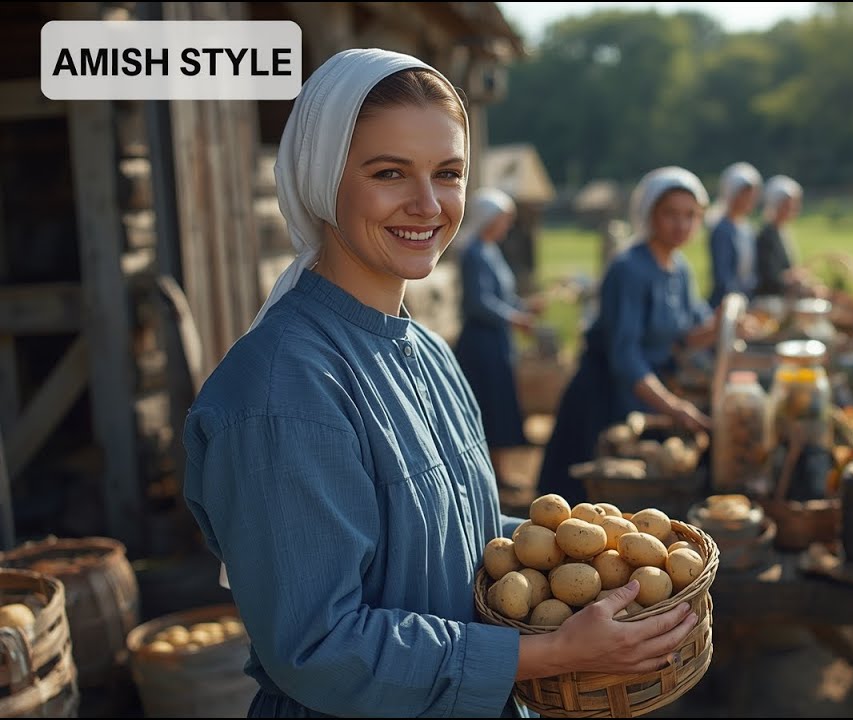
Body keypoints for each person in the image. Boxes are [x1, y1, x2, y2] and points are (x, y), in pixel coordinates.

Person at [181, 49, 696, 719]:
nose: (428, 204)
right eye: (389, 172)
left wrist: (607, 556)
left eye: (448, 173)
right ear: (321, 177)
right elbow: (318, 644)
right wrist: (547, 656)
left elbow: (457, 535)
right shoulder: (283, 392)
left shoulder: (425, 350)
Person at [537, 167, 719, 506]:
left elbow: (684, 336)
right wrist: (675, 406)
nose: (682, 224)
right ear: (649, 214)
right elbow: (625, 357)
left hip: (648, 396)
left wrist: (722, 325)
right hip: (607, 395)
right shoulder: (629, 269)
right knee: (586, 511)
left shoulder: (679, 269)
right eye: (670, 214)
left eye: (690, 215)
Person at [453, 187, 542, 489]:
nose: (507, 226)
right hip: (481, 344)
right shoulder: (474, 253)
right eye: (503, 219)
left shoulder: (490, 250)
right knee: (488, 406)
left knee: (498, 403)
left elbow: (500, 297)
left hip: (496, 340)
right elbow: (480, 303)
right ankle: (490, 474)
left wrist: (524, 307)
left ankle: (496, 472)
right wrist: (514, 317)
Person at [705, 161, 763, 308]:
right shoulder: (721, 229)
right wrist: (740, 303)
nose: (750, 200)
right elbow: (723, 278)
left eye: (752, 195)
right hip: (726, 305)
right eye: (745, 195)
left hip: (747, 300)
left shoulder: (747, 228)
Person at [754, 174, 805, 297]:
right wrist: (791, 279)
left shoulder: (783, 232)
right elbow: (769, 278)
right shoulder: (766, 236)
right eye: (787, 205)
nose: (793, 209)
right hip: (771, 298)